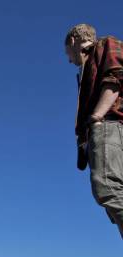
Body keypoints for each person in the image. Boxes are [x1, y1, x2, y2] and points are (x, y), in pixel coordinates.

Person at [65, 24, 123, 238]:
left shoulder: (106, 45)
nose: (70, 60)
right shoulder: (86, 68)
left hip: (109, 125)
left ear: (73, 42)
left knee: (107, 188)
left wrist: (96, 118)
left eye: (68, 54)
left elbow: (116, 78)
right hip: (107, 130)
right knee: (114, 200)